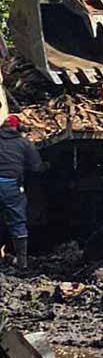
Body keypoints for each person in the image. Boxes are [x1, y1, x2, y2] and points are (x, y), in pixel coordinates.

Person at [0, 113, 47, 268]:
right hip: (10, 186)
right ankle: (22, 263)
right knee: (17, 221)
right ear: (19, 127)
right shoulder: (24, 143)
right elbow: (37, 167)